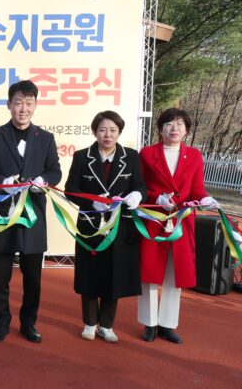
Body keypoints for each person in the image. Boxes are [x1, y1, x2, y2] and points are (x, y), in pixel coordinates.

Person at [0, 79, 61, 343]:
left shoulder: (46, 138)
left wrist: (44, 180)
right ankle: (1, 322)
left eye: (29, 103)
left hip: (33, 215)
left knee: (33, 277)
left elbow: (55, 171)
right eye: (18, 103)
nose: (23, 108)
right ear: (9, 105)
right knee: (1, 275)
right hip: (4, 213)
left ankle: (28, 323)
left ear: (35, 105)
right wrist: (3, 181)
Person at [64, 111, 147, 343]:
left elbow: (140, 185)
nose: (107, 135)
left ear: (119, 132)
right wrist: (92, 201)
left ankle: (107, 325)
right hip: (91, 224)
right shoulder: (82, 156)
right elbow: (71, 189)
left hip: (121, 225)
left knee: (115, 273)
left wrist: (137, 195)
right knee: (90, 274)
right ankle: (90, 323)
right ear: (95, 132)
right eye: (102, 130)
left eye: (112, 130)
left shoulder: (131, 156)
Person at [138, 108, 219, 344]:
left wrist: (205, 198)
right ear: (161, 129)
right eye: (169, 124)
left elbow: (197, 188)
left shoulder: (194, 155)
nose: (174, 128)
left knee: (175, 273)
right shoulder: (147, 153)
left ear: (186, 130)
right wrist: (156, 197)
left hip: (182, 220)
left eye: (180, 124)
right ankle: (149, 323)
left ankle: (167, 324)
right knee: (150, 272)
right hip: (154, 219)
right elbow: (140, 187)